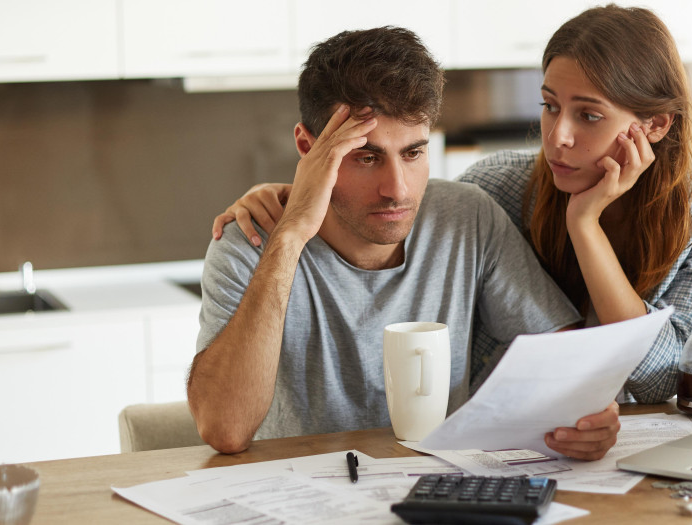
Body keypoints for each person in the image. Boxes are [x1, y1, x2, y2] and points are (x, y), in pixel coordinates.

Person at [210, 5, 692, 404]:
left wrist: (584, 224)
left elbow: (659, 378)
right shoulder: (496, 188)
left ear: (655, 125)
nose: (558, 137)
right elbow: (393, 206)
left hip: (623, 433)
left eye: (588, 116)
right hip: (516, 437)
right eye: (548, 107)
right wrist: (296, 196)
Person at [190, 26, 622, 460]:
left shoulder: (466, 216)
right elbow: (225, 430)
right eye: (366, 157)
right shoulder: (248, 241)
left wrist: (587, 417)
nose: (396, 189)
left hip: (438, 486)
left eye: (413, 153)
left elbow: (567, 363)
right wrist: (290, 236)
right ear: (308, 146)